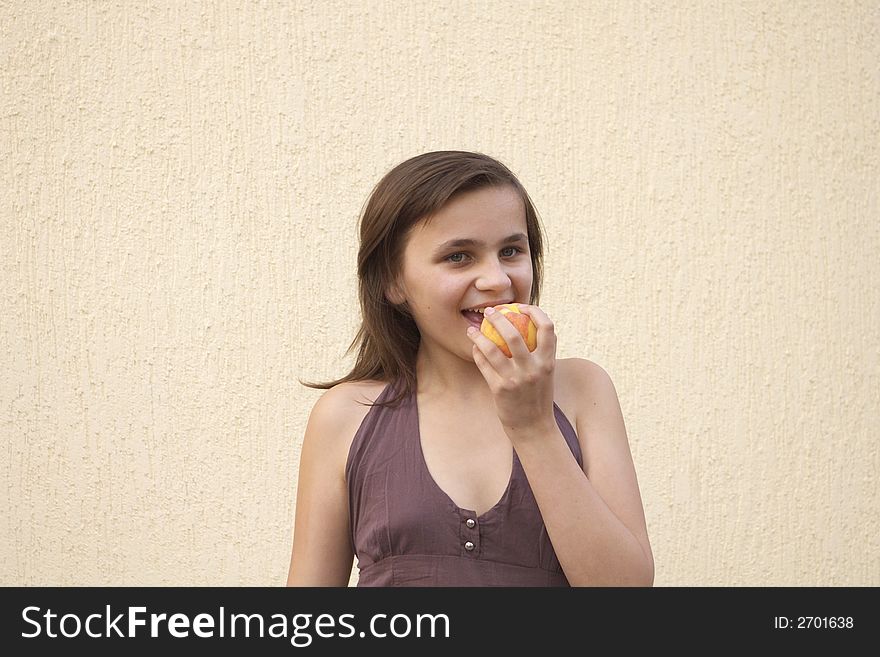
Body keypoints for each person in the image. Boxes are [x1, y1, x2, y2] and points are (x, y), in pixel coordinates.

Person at [286, 151, 653, 586]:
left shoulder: (582, 390)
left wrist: (533, 426)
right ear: (393, 281)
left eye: (511, 250)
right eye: (459, 257)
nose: (496, 280)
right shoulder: (347, 415)